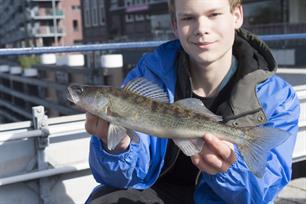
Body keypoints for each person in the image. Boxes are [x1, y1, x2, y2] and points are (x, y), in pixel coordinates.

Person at [84, 0, 300, 203]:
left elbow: (262, 192)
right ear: (174, 25)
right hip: (157, 192)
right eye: (188, 18)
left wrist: (228, 170)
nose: (201, 28)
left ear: (237, 15)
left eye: (214, 14)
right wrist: (116, 148)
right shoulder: (147, 75)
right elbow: (117, 179)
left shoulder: (278, 98)